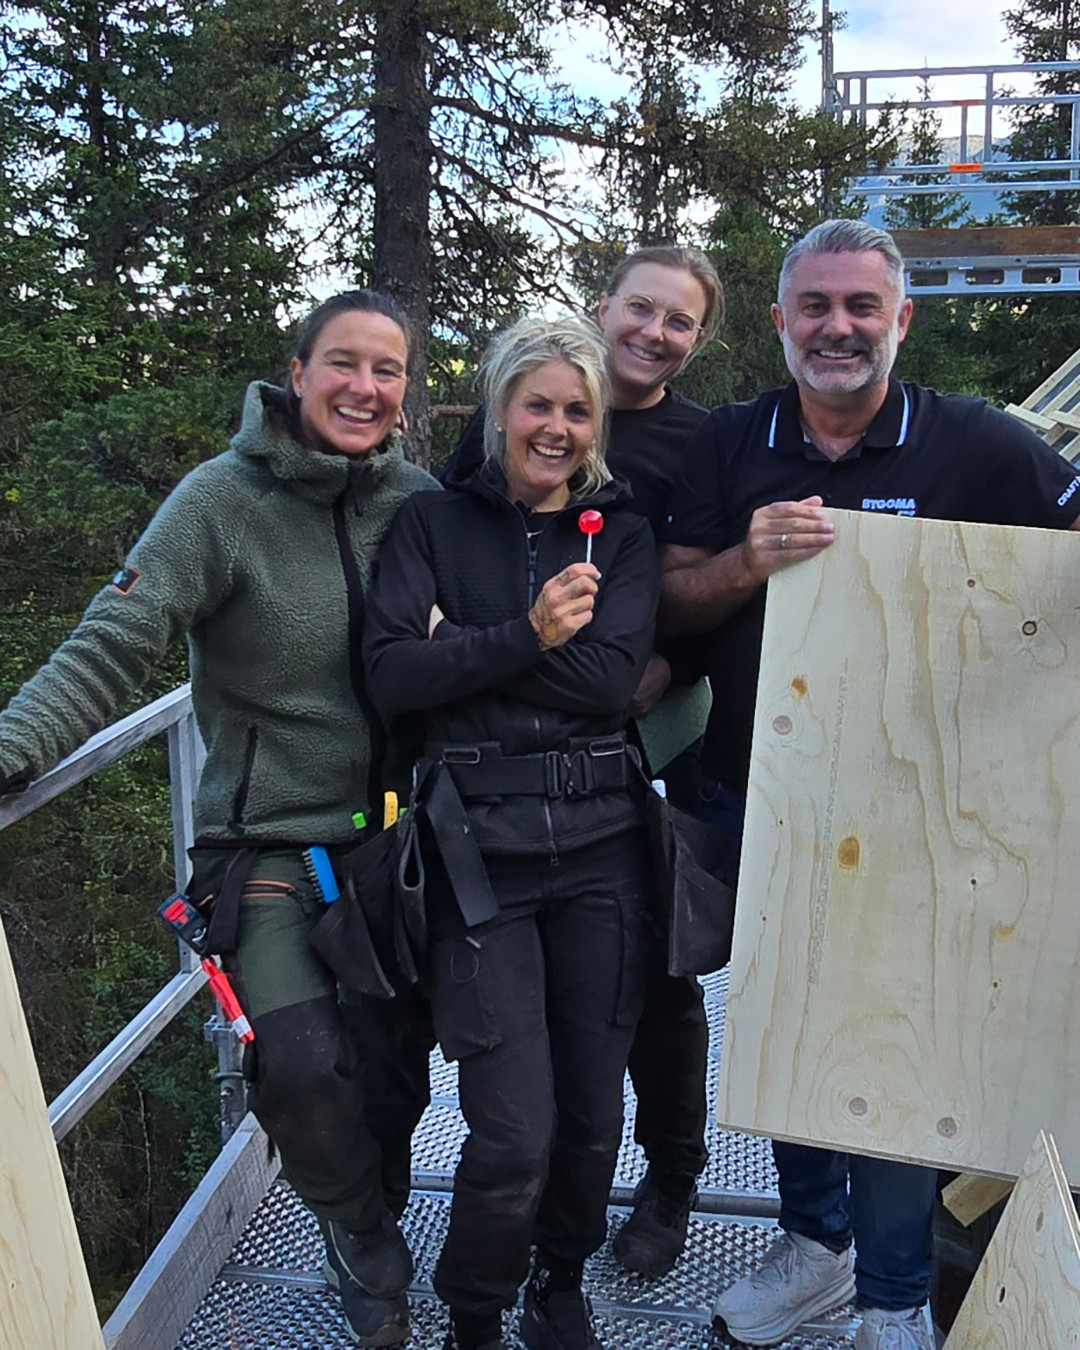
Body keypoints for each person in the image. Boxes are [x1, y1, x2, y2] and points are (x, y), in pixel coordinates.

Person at [658, 219, 1080, 1350]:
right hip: (763, 796)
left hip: (918, 812)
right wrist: (749, 558)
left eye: (860, 306)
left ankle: (893, 1304)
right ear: (784, 319)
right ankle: (814, 1247)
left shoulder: (980, 446)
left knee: (893, 1053)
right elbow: (674, 598)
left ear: (902, 320)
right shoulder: (734, 441)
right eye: (815, 307)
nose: (836, 327)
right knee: (787, 1024)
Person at [0, 291, 440, 1349]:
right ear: (295, 372)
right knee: (298, 1070)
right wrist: (10, 750)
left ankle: (368, 1183)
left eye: (387, 371)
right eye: (343, 363)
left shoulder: (419, 500)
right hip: (267, 843)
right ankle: (359, 1233)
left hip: (397, 841)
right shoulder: (219, 503)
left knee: (394, 1076)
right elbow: (116, 639)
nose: (363, 388)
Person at [364, 315, 659, 1350]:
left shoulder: (620, 534)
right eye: (538, 403)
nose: (558, 426)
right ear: (497, 411)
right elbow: (395, 675)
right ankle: (475, 1309)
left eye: (578, 410)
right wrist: (528, 635)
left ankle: (559, 1282)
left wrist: (471, 650)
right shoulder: (430, 529)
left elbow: (612, 683)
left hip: (605, 853)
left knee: (588, 1124)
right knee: (512, 1131)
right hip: (475, 858)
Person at [442, 245, 725, 1280]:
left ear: (698, 340)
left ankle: (671, 1177)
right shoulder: (519, 408)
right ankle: (530, 1178)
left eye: (679, 321)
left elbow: (712, 581)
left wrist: (649, 665)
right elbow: (452, 590)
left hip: (660, 732)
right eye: (640, 307)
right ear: (603, 305)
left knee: (664, 980)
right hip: (533, 746)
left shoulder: (707, 444)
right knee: (569, 988)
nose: (654, 332)